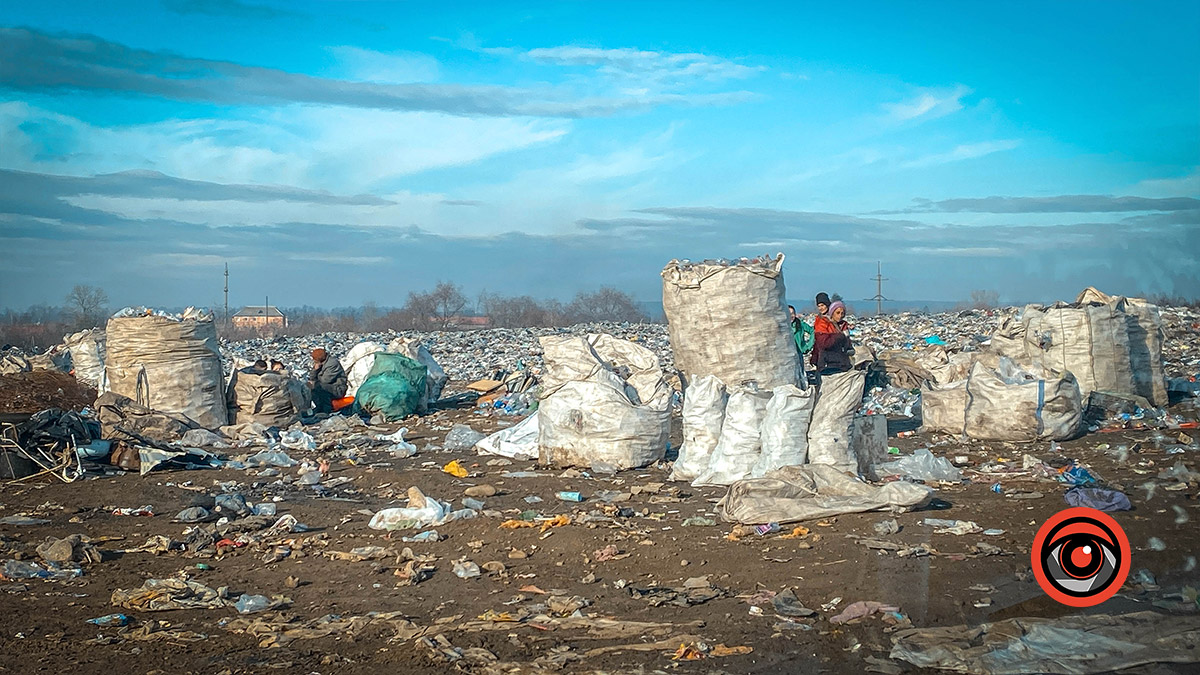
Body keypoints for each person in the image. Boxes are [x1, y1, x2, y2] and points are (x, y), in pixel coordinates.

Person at [812, 300, 853, 375]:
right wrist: (839, 336)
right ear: (832, 313)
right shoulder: (823, 323)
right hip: (827, 362)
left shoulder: (843, 325)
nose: (840, 315)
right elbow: (823, 343)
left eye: (842, 313)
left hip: (842, 363)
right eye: (837, 313)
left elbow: (847, 343)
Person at [308, 348, 347, 414]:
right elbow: (312, 378)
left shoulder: (332, 364)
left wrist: (314, 381)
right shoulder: (320, 364)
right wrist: (315, 370)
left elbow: (325, 380)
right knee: (309, 386)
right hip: (328, 387)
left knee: (317, 386)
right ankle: (319, 407)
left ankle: (327, 409)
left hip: (338, 388)